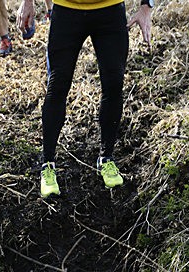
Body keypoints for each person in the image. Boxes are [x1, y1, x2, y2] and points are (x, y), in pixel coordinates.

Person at [16, 0, 154, 195]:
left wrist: (146, 7)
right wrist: (27, 2)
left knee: (114, 85)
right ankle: (47, 164)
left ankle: (106, 158)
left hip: (110, 11)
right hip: (67, 11)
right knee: (57, 86)